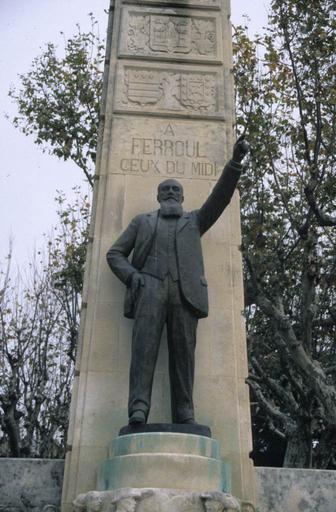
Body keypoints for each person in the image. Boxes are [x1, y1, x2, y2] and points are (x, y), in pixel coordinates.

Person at [106, 136, 249, 426]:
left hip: (185, 295)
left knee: (184, 356)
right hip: (149, 290)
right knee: (143, 352)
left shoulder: (194, 221)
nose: (171, 193)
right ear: (159, 196)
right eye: (165, 190)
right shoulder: (142, 222)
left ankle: (184, 411)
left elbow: (219, 199)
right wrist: (133, 276)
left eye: (175, 190)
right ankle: (138, 409)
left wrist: (234, 163)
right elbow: (115, 254)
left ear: (182, 197)